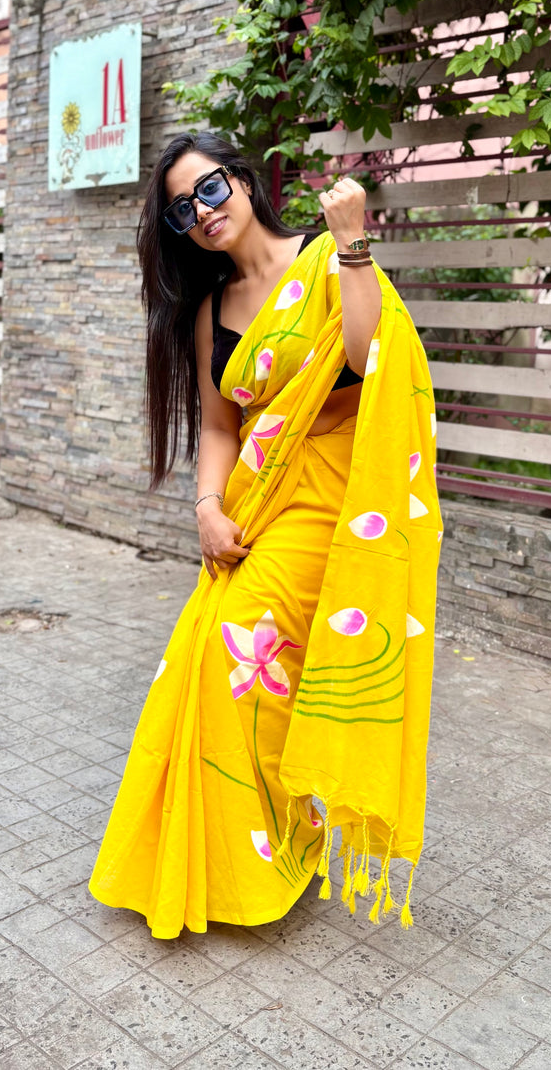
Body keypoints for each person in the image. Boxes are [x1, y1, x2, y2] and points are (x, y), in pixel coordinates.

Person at [88, 131, 442, 940]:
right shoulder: (210, 310)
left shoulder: (321, 261)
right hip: (254, 502)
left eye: (210, 190)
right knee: (206, 656)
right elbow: (220, 423)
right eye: (182, 208)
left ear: (243, 182)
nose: (202, 213)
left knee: (234, 658)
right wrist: (206, 504)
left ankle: (276, 845)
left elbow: (368, 354)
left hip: (331, 503)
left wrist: (354, 246)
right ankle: (267, 844)